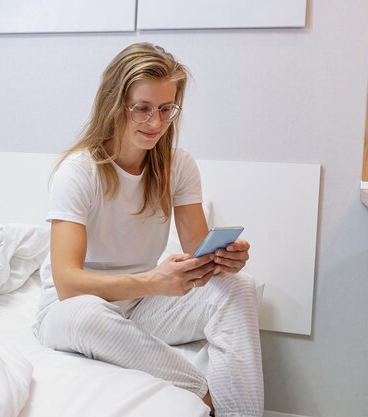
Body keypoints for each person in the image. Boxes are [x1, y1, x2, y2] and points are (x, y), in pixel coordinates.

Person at [33, 42, 263, 417]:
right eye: (141, 108)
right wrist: (152, 282)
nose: (155, 123)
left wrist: (222, 260)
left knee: (241, 286)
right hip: (70, 310)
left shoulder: (179, 165)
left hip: (140, 306)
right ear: (114, 104)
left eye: (165, 109)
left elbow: (196, 253)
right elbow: (68, 283)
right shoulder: (78, 171)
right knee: (88, 313)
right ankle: (207, 400)